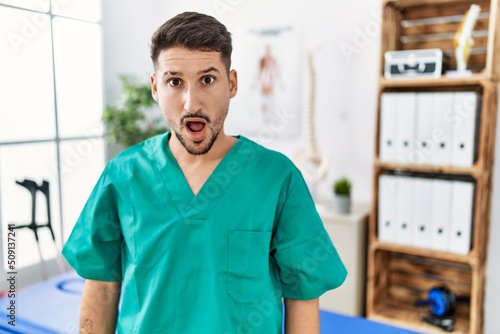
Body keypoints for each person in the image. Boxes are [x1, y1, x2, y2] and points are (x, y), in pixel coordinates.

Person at [62, 11, 347, 334]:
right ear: (155, 87)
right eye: (174, 81)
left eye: (208, 80)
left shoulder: (277, 178)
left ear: (233, 83)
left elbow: (302, 295)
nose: (191, 103)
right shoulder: (123, 176)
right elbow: (101, 286)